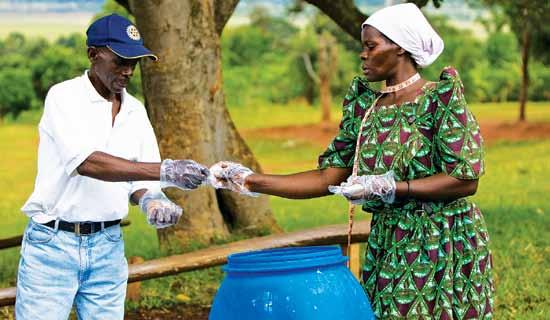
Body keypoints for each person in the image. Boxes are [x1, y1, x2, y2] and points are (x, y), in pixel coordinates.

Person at [209, 3, 494, 319]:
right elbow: (327, 177)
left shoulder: (439, 100)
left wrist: (392, 187)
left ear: (400, 48)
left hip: (443, 237)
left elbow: (466, 179)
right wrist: (252, 180)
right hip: (390, 239)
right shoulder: (366, 109)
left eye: (372, 46)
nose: (363, 55)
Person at [16, 14, 209, 319]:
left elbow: (138, 178)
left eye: (135, 62)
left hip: (108, 245)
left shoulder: (135, 110)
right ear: (93, 54)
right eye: (120, 60)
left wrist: (150, 199)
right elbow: (88, 163)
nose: (129, 70)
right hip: (53, 245)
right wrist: (166, 170)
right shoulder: (64, 97)